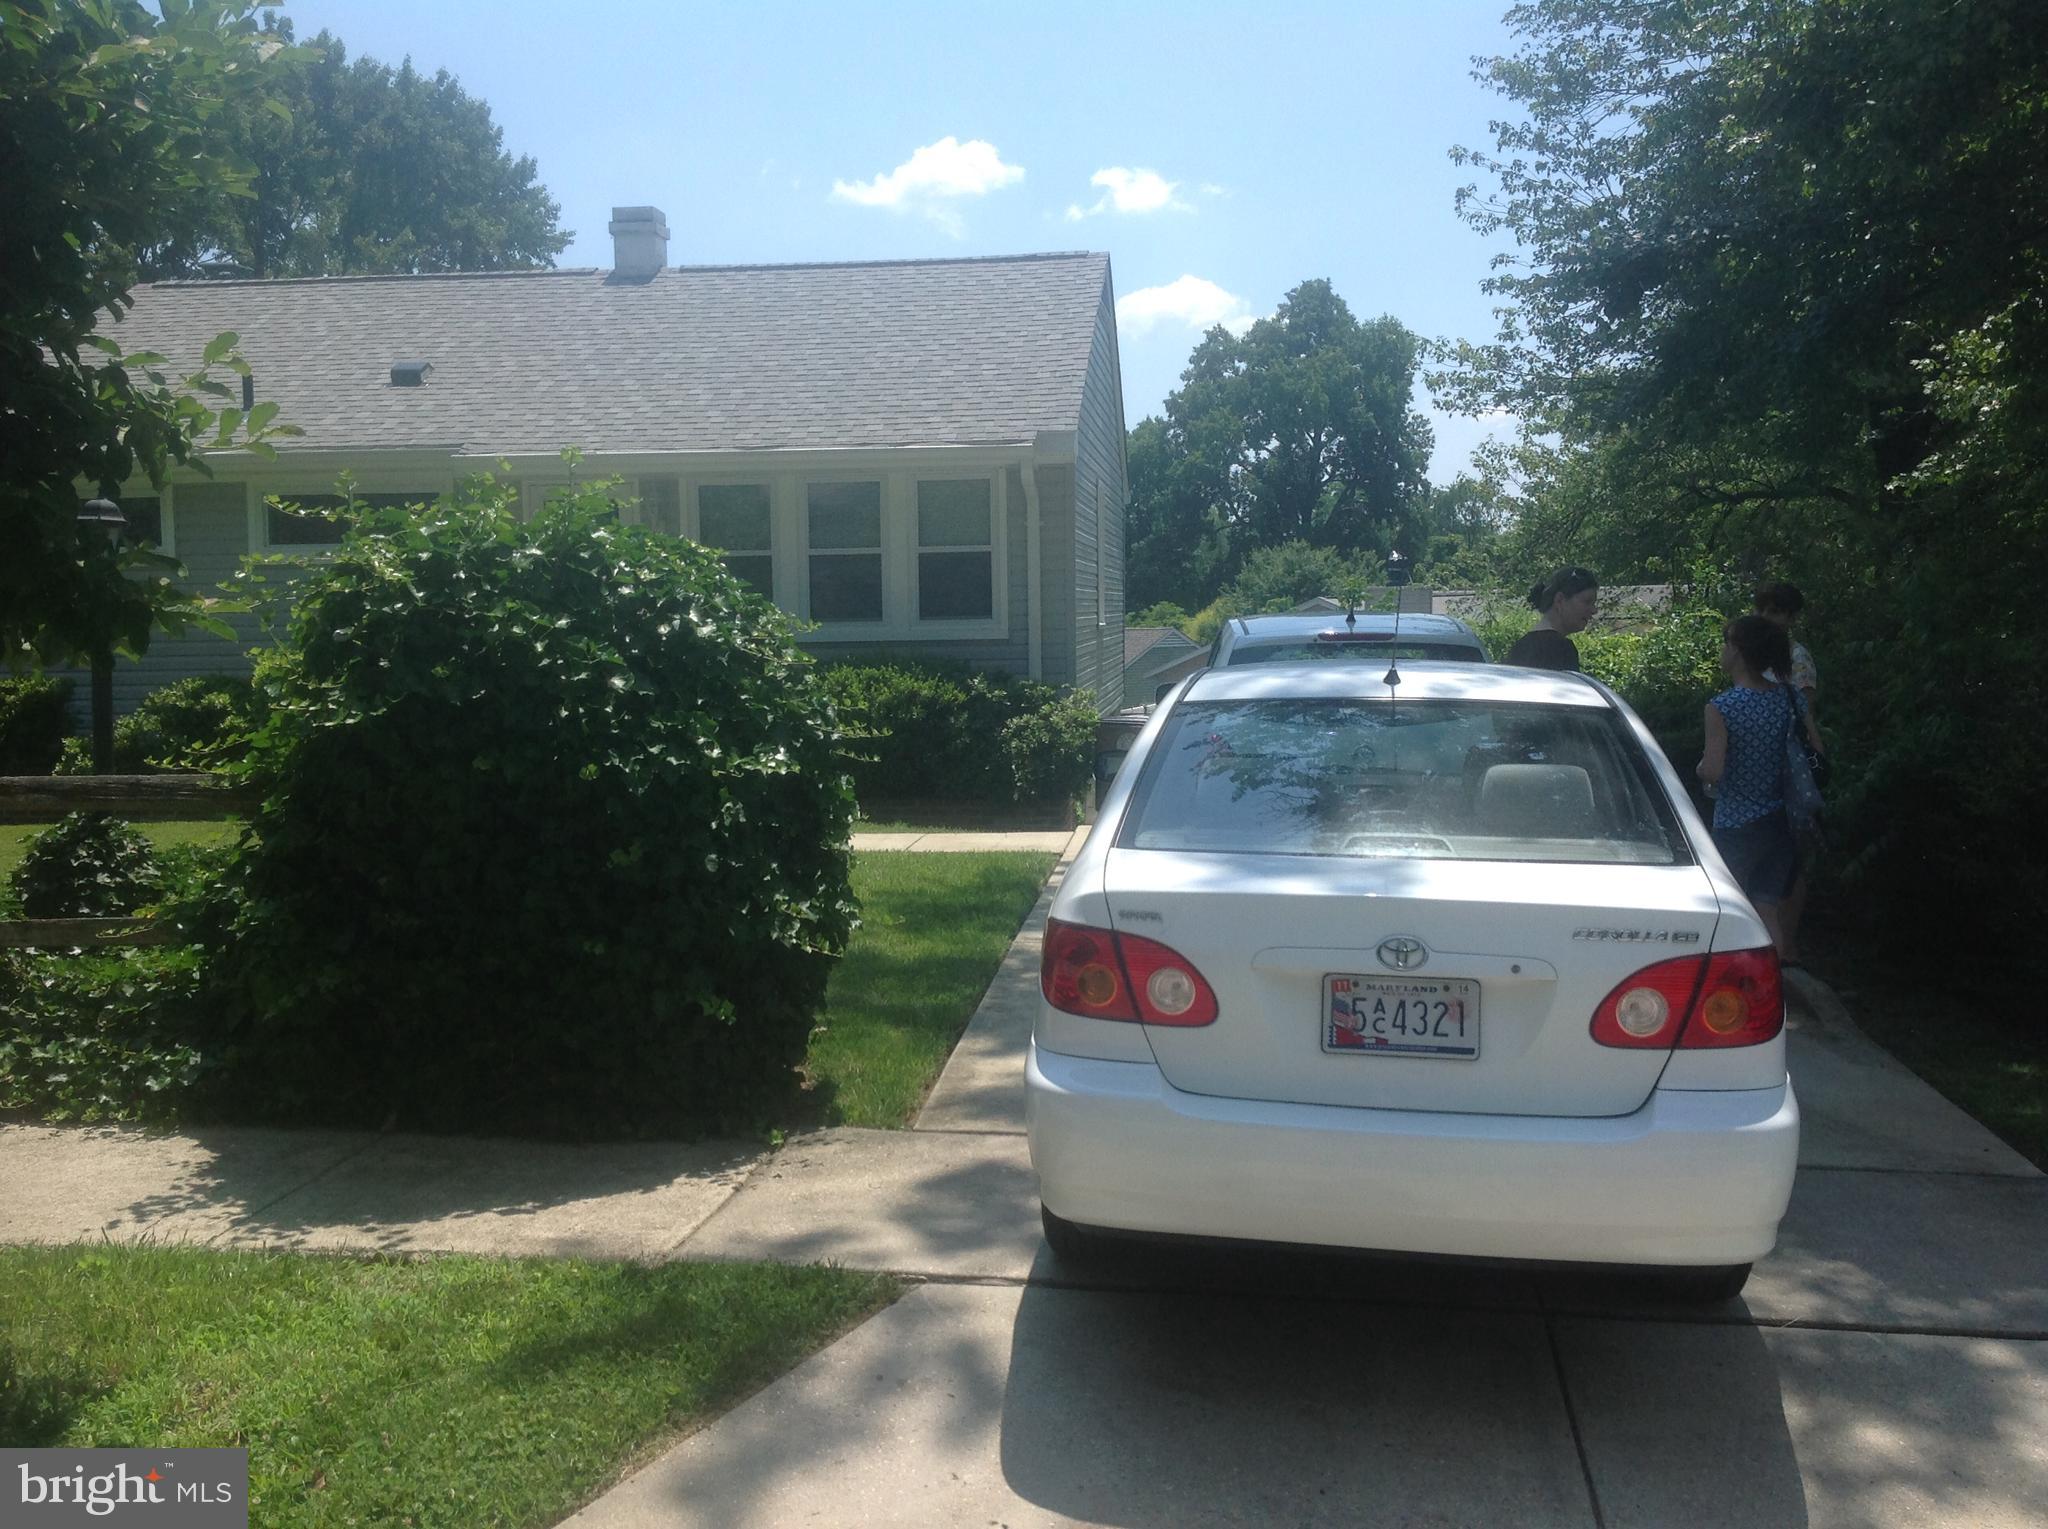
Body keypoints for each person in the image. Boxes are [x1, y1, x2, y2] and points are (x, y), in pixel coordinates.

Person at [1697, 614, 1824, 960]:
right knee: (1767, 908)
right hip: (1783, 819)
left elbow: (1714, 771)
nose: (1722, 650)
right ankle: (1772, 982)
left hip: (1736, 822)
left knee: (1724, 907)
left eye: (1726, 642)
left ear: (1738, 651)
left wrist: (1700, 768)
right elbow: (1817, 749)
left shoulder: (1722, 707)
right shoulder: (1790, 698)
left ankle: (1731, 990)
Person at [1754, 581, 1819, 959]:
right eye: (1763, 609)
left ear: (1791, 617)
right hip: (1756, 768)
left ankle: (1788, 945)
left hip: (1790, 769)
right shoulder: (1753, 653)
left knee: (1791, 858)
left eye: (1776, 611)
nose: (1767, 618)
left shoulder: (1797, 659)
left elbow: (1805, 717)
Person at [1503, 567, 1599, 670]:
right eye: (1587, 601)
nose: (1594, 610)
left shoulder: (1520, 647)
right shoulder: (1560, 648)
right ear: (1560, 600)